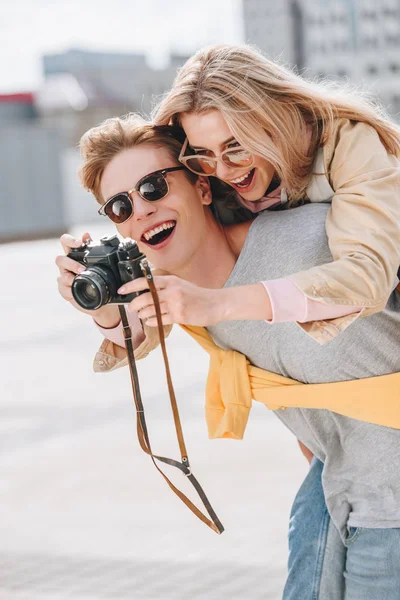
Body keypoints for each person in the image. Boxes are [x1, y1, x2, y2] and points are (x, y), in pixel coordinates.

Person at [56, 115, 400, 599]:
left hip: (387, 501)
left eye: (154, 187)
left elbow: (369, 278)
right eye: (119, 206)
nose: (142, 211)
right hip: (337, 488)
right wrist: (93, 302)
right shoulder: (187, 297)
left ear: (201, 187)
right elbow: (136, 331)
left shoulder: (309, 243)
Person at [152, 43, 400, 345]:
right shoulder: (206, 178)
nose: (224, 171)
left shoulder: (348, 142)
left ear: (275, 118)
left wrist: (219, 304)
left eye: (236, 147)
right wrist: (100, 289)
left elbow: (367, 276)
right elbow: (175, 265)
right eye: (204, 153)